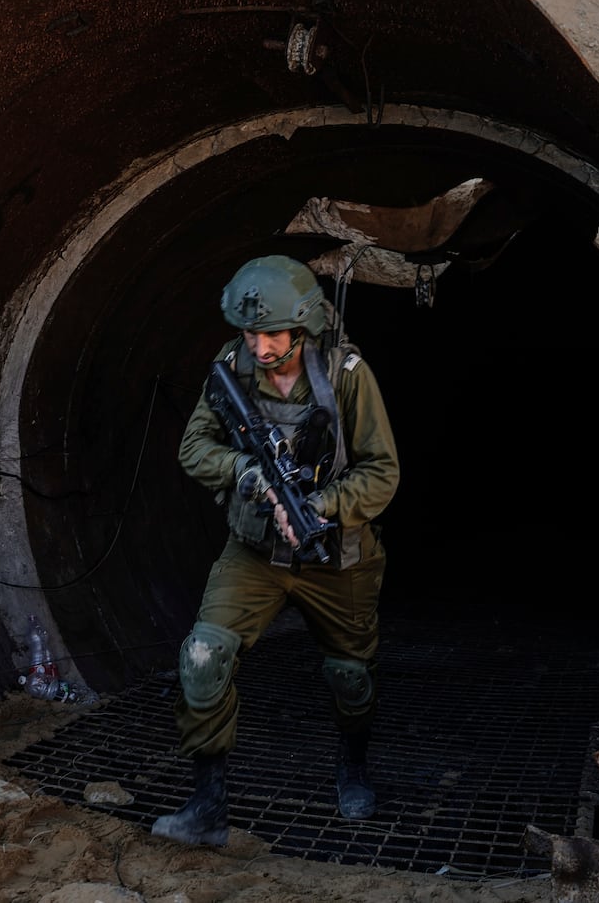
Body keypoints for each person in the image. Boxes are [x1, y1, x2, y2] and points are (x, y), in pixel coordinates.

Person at [152, 254, 401, 846]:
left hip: (337, 557)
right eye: (249, 333)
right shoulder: (232, 367)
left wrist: (318, 507)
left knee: (350, 677)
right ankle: (208, 806)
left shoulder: (346, 374)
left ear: (304, 325)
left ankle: (353, 765)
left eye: (271, 334)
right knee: (203, 659)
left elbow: (383, 473)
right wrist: (248, 473)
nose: (259, 347)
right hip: (255, 552)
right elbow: (194, 449)